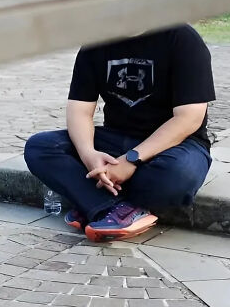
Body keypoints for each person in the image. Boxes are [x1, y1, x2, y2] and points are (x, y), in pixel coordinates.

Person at [24, 25, 214, 242]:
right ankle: (115, 208)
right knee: (41, 147)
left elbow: (189, 118)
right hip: (116, 139)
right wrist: (89, 156)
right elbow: (79, 110)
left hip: (177, 145)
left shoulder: (181, 38)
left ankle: (92, 201)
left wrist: (131, 160)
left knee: (177, 176)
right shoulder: (96, 42)